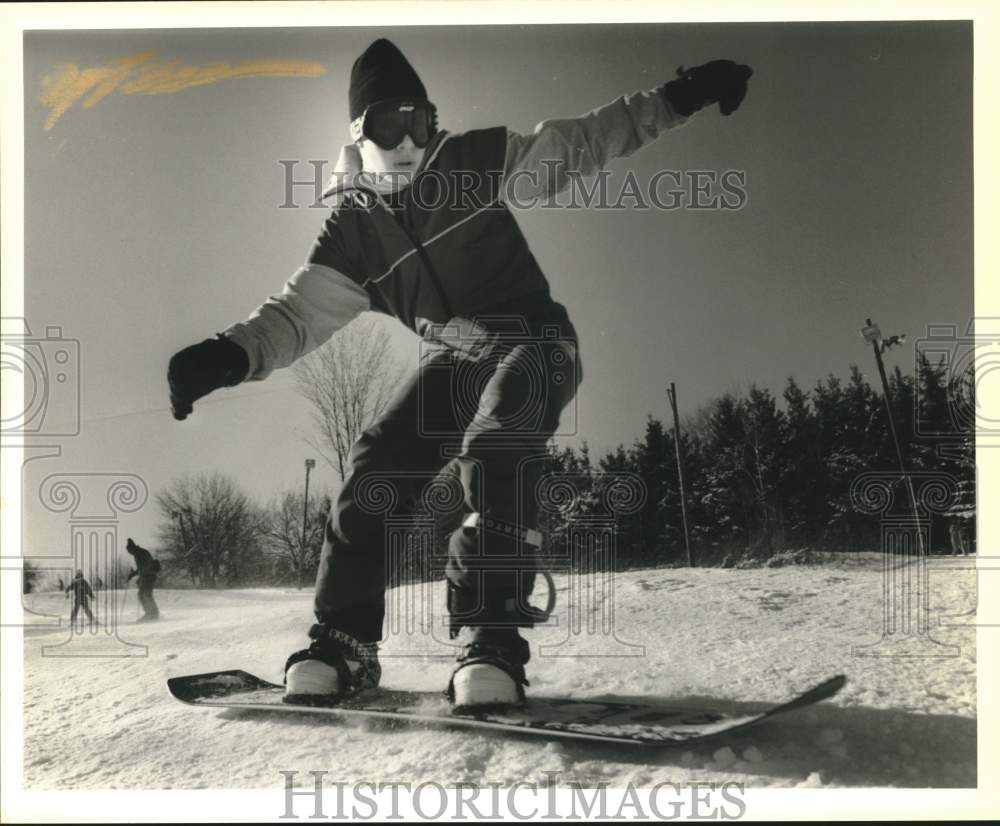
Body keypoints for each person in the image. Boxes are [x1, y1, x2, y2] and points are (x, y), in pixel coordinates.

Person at [167, 39, 752, 707]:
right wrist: (225, 355)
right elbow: (297, 316)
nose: (413, 138)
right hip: (456, 362)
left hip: (534, 339)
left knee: (499, 440)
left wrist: (680, 95)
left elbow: (583, 143)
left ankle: (492, 635)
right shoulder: (353, 235)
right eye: (393, 123)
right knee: (377, 465)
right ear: (360, 134)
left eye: (423, 120)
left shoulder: (469, 163)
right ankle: (345, 641)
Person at [125, 537, 161, 621]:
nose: (130, 553)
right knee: (142, 595)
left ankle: (153, 614)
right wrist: (134, 574)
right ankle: (150, 613)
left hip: (149, 575)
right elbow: (141, 568)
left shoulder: (141, 553)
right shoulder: (138, 553)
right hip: (147, 575)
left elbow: (145, 566)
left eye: (129, 551)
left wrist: (139, 575)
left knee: (146, 594)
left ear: (132, 548)